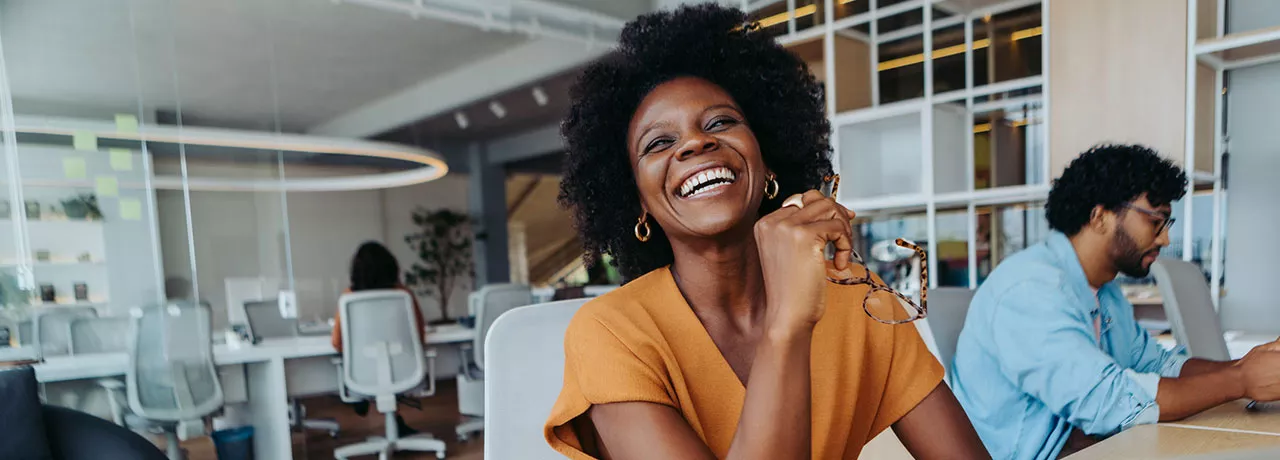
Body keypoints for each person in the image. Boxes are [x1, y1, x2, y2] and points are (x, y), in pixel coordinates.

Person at [543, 5, 988, 459]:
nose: (696, 142)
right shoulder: (610, 333)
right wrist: (789, 322)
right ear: (636, 201)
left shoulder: (856, 296)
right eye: (659, 143)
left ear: (768, 160)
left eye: (720, 122)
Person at [949, 144, 1280, 459]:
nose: (1165, 238)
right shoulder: (1029, 290)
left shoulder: (1105, 292)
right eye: (1155, 220)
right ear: (1099, 217)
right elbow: (1110, 402)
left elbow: (1158, 365)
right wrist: (1240, 380)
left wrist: (1247, 366)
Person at [330, 241, 427, 433]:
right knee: (391, 368)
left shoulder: (348, 297)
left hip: (362, 372)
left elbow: (337, 342)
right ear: (392, 267)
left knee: (372, 370)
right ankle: (396, 423)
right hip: (404, 369)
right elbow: (419, 335)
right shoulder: (403, 295)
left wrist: (363, 352)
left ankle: (361, 397)